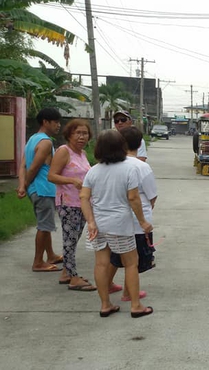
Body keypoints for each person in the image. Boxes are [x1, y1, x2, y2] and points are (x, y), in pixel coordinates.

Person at [80, 130, 153, 318]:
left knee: (101, 264)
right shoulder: (129, 169)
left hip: (98, 223)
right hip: (120, 224)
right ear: (122, 146)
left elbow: (84, 197)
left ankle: (105, 304)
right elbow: (133, 198)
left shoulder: (93, 171)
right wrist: (143, 222)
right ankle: (135, 305)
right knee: (131, 263)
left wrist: (90, 222)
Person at [107, 126, 157, 302]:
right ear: (140, 143)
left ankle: (106, 285)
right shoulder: (142, 167)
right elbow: (152, 196)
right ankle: (129, 293)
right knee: (133, 262)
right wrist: (145, 216)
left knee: (115, 257)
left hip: (115, 220)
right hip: (138, 222)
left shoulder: (111, 164)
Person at [47, 119, 96, 291]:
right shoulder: (63, 151)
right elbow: (51, 176)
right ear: (69, 135)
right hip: (68, 203)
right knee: (69, 240)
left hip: (81, 203)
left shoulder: (81, 153)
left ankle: (66, 273)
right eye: (78, 133)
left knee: (74, 240)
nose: (82, 137)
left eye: (85, 133)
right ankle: (74, 278)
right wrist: (71, 180)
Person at [16, 107, 63, 272]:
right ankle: (38, 262)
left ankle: (50, 255)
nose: (58, 125)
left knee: (46, 224)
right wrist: (26, 184)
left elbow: (22, 165)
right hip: (43, 189)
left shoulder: (32, 140)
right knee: (44, 226)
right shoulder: (46, 142)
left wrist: (23, 186)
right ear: (45, 122)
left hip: (36, 190)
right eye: (55, 122)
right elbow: (34, 167)